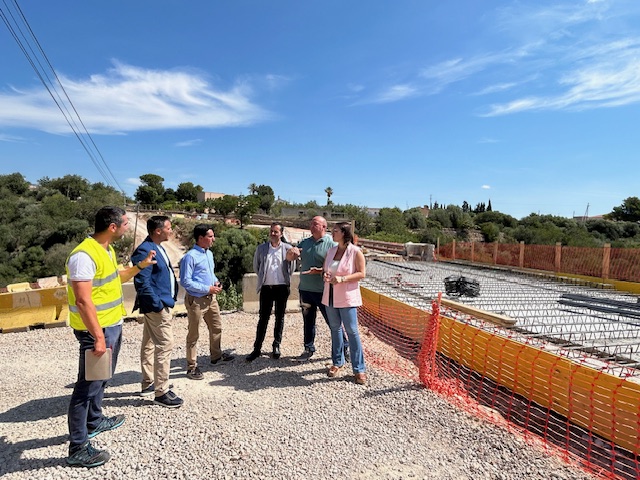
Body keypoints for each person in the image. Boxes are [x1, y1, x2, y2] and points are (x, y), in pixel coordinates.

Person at [66, 206, 156, 468]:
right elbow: (83, 300)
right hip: (97, 331)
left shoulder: (106, 249)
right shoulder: (83, 255)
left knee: (103, 378)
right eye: (125, 222)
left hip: (110, 326)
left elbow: (115, 278)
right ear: (113, 227)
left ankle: (94, 420)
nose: (128, 226)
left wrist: (139, 267)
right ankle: (77, 446)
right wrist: (98, 337)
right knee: (87, 386)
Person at [131, 215, 183, 408]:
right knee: (165, 344)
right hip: (157, 306)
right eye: (169, 228)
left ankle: (148, 383)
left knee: (150, 342)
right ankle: (162, 391)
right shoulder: (144, 250)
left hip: (160, 303)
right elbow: (142, 282)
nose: (172, 231)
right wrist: (158, 305)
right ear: (158, 230)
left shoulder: (157, 247)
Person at [286, 216, 348, 361]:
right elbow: (289, 258)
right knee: (308, 321)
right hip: (305, 290)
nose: (312, 226)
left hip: (324, 291)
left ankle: (344, 347)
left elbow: (336, 267)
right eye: (311, 223)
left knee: (333, 322)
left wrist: (319, 270)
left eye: (315, 224)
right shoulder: (304, 243)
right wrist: (291, 253)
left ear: (324, 227)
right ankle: (308, 348)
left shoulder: (331, 244)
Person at [180, 224, 234, 380]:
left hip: (211, 299)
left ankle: (216, 357)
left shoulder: (208, 254)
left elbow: (210, 274)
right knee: (193, 334)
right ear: (200, 238)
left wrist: (216, 283)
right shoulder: (190, 257)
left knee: (216, 327)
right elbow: (186, 281)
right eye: (210, 236)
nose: (213, 239)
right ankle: (191, 367)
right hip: (196, 300)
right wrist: (207, 288)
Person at [321, 222, 368, 385]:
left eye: (335, 231)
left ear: (344, 233)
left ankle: (359, 369)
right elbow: (325, 270)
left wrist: (342, 279)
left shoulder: (356, 252)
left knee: (352, 331)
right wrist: (325, 275)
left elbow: (362, 273)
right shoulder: (331, 251)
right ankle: (337, 362)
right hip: (330, 297)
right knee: (335, 329)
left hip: (347, 297)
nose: (332, 233)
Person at [247, 222, 295, 362]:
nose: (273, 234)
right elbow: (257, 267)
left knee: (279, 317)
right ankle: (257, 348)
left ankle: (276, 345)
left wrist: (285, 279)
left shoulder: (287, 248)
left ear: (281, 234)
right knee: (263, 318)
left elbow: (291, 268)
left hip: (282, 288)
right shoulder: (261, 249)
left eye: (276, 232)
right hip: (266, 288)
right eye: (271, 231)